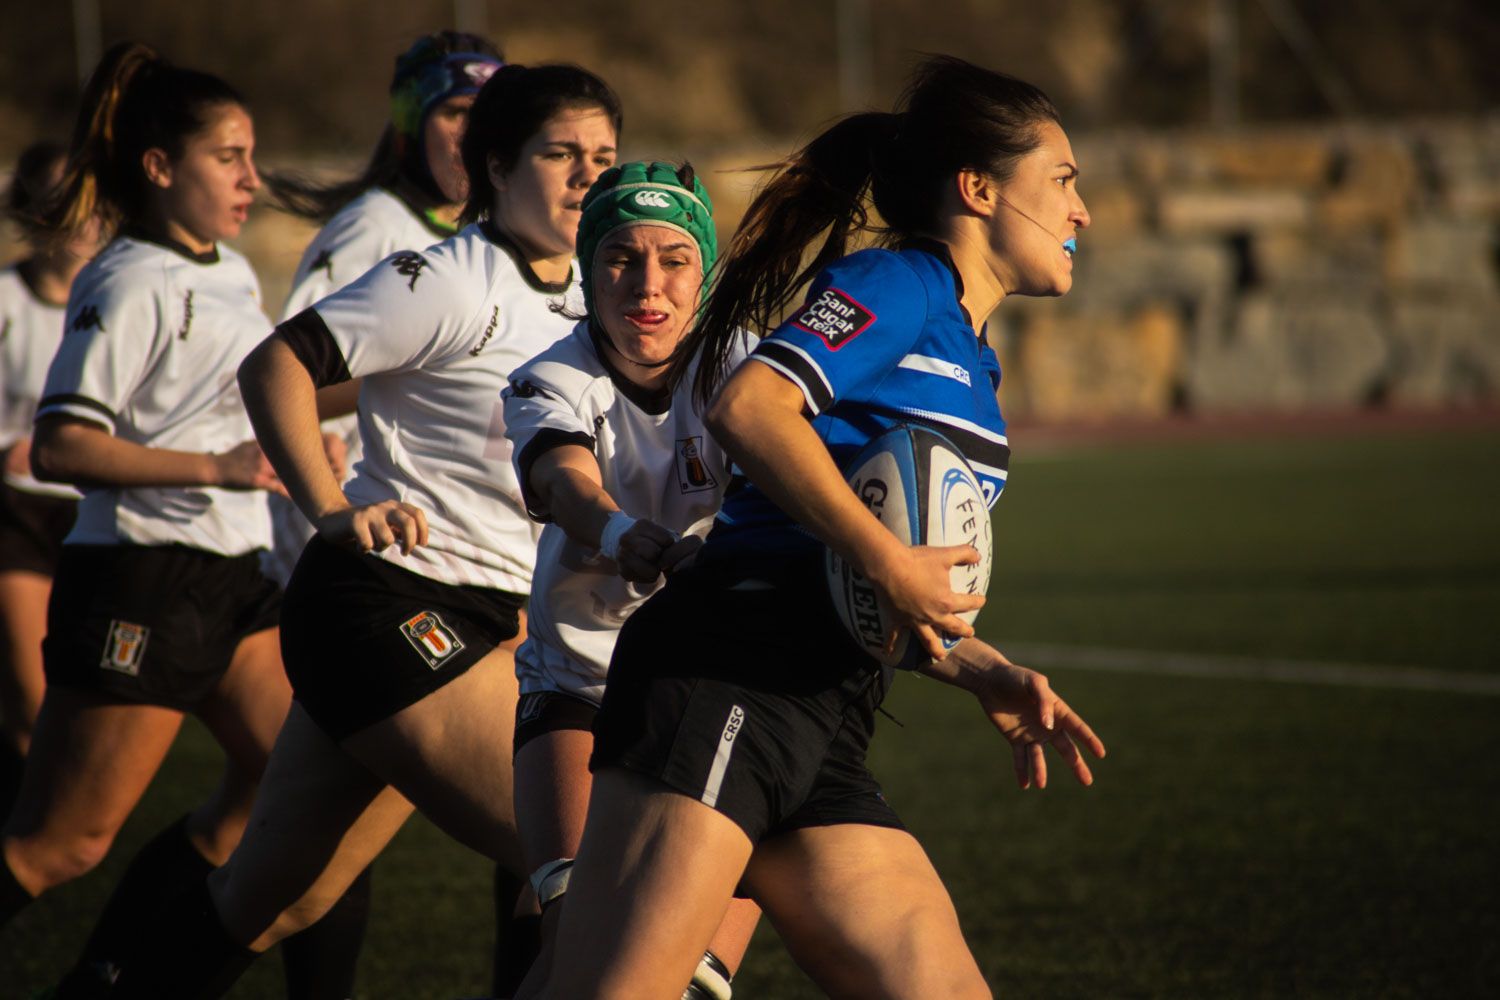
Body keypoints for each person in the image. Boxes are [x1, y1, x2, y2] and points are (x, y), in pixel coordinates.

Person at [547, 55, 1107, 999]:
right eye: (1062, 179)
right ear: (977, 190)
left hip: (823, 710)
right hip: (733, 673)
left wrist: (980, 667)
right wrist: (889, 560)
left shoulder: (972, 362)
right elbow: (750, 409)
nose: (1081, 211)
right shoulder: (901, 284)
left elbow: (859, 579)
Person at [108, 61, 622, 999]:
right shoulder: (453, 280)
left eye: (604, 155)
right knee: (594, 865)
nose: (589, 175)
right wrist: (331, 510)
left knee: (269, 899)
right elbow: (277, 366)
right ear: (496, 166)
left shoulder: (594, 292)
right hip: (394, 609)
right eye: (562, 153)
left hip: (486, 622)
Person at [0, 42, 360, 1000]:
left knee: (304, 792)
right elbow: (63, 446)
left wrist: (303, 444)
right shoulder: (125, 280)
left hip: (234, 581)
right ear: (160, 167)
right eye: (228, 157)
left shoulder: (232, 275)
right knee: (58, 846)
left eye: (251, 155)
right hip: (141, 578)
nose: (252, 177)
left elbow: (230, 408)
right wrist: (223, 467)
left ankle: (116, 979)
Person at [502, 161, 760, 999]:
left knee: (685, 981)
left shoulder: (744, 367)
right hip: (580, 683)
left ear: (705, 272)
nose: (647, 284)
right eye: (619, 257)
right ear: (586, 269)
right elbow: (564, 483)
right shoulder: (550, 373)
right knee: (579, 940)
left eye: (674, 259)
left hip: (716, 688)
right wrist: (623, 535)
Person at [263, 29, 504, 586]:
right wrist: (440, 370)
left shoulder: (491, 242)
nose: (472, 135)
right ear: (411, 126)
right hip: (363, 526)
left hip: (452, 536)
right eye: (456, 112)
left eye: (487, 115)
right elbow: (287, 375)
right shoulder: (369, 230)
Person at [0, 141, 99, 809]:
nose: (91, 222)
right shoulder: (6, 299)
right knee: (32, 705)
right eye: (72, 208)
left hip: (95, 517)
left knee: (80, 718)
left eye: (97, 207)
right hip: (15, 517)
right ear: (37, 218)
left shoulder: (115, 298)